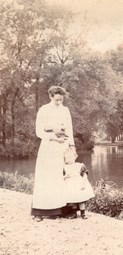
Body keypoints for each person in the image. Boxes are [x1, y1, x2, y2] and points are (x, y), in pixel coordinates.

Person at [32, 86, 75, 221]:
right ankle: (39, 211)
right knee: (45, 176)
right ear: (50, 97)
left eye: (61, 100)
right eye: (57, 100)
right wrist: (52, 137)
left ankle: (57, 210)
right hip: (48, 146)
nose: (59, 102)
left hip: (61, 146)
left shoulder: (65, 110)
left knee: (59, 177)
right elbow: (39, 131)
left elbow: (69, 129)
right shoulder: (44, 110)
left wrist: (71, 146)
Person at [63, 147, 95, 219]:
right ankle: (74, 213)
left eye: (70, 157)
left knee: (81, 199)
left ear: (75, 156)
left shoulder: (79, 165)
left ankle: (83, 213)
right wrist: (65, 176)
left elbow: (85, 175)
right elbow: (62, 177)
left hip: (78, 184)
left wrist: (83, 184)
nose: (68, 159)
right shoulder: (64, 167)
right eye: (66, 158)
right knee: (73, 199)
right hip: (70, 185)